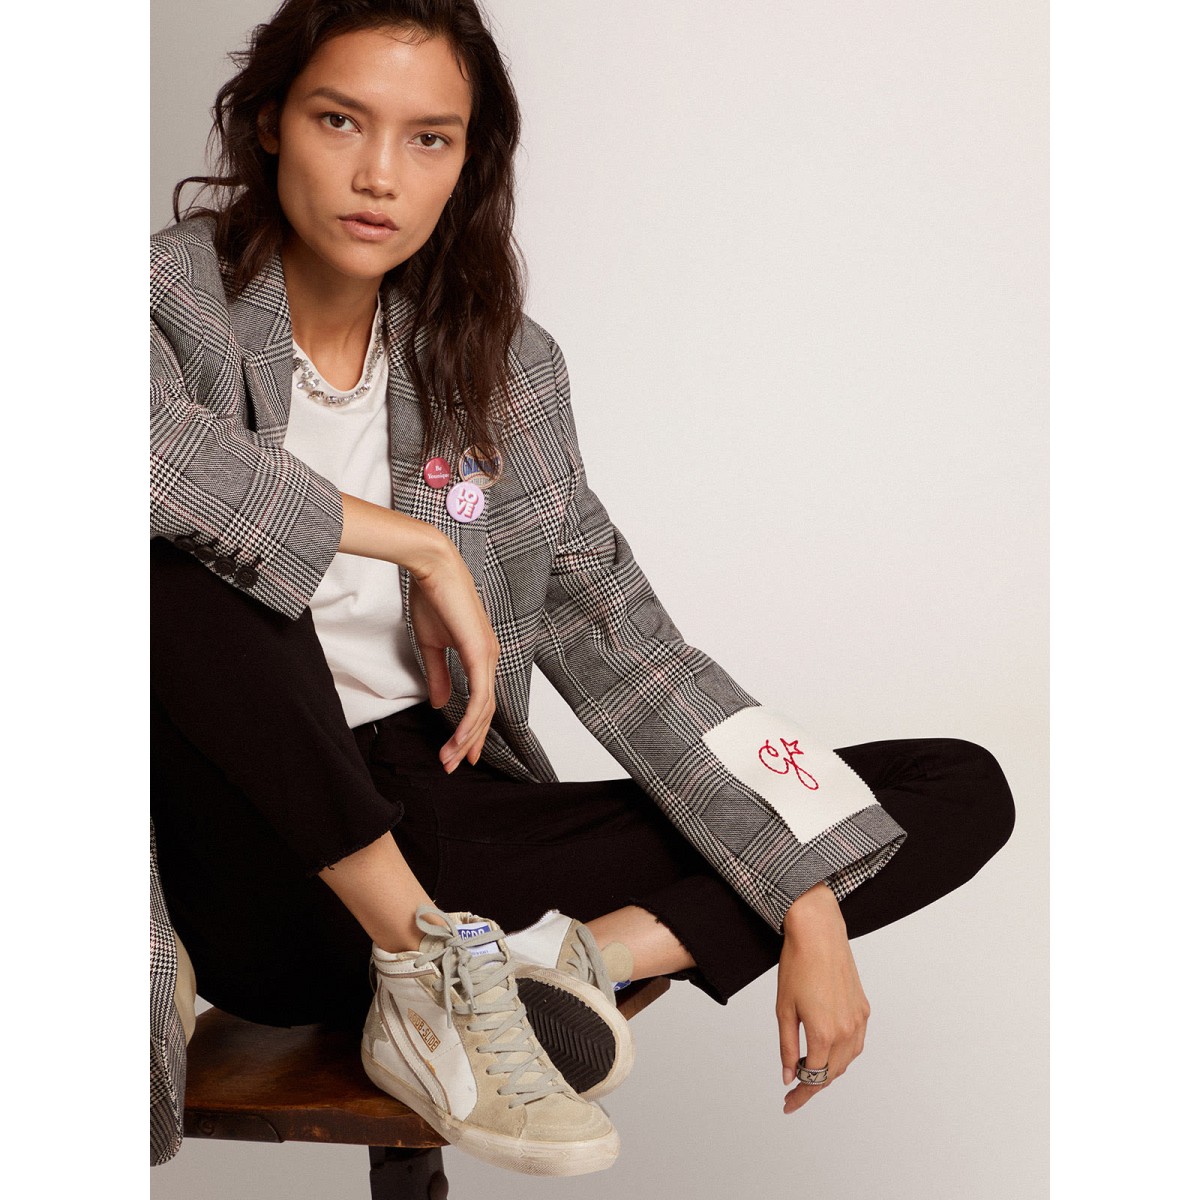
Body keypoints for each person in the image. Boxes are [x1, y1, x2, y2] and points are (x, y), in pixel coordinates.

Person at [150, 0, 1015, 1178]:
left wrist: (804, 886)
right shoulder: (162, 298)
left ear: (468, 160)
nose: (379, 174)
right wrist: (420, 547)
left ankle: (554, 970)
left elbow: (626, 642)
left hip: (442, 815)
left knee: (948, 787)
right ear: (268, 122)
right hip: (252, 863)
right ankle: (428, 969)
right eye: (339, 120)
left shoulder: (499, 367)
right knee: (176, 562)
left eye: (428, 138)